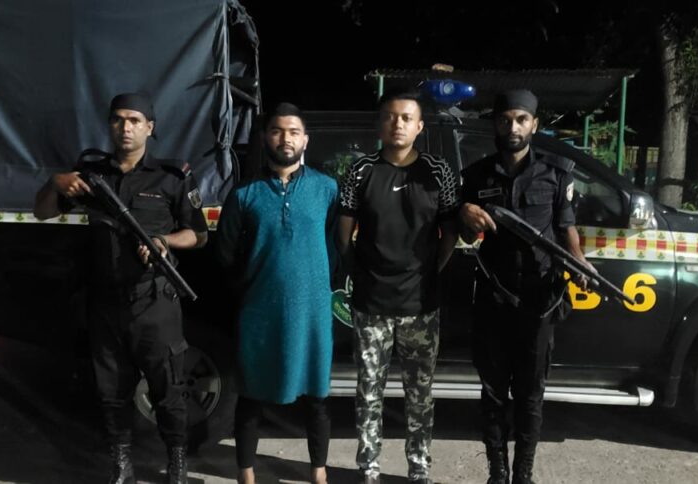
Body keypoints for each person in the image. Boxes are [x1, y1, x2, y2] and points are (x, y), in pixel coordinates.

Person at [33, 92, 207, 484]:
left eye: (134, 120)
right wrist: (54, 182)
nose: (125, 128)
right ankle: (121, 462)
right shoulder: (91, 176)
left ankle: (177, 461)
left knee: (168, 389)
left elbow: (198, 235)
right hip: (105, 302)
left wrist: (163, 242)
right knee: (112, 391)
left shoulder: (172, 176)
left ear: (150, 127)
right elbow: (42, 212)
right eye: (118, 120)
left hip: (154, 301)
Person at [458, 89, 593, 484]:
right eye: (505, 120)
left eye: (520, 119)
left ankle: (523, 474)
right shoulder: (476, 176)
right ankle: (497, 473)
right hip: (494, 298)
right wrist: (465, 215)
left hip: (539, 300)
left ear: (534, 124)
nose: (512, 127)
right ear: (495, 124)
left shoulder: (556, 173)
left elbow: (566, 229)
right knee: (493, 393)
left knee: (531, 395)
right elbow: (464, 237)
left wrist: (579, 262)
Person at [337, 89, 460, 484]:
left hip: (421, 305)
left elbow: (450, 232)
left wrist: (430, 272)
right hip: (371, 303)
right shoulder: (360, 171)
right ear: (380, 124)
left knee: (420, 395)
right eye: (390, 116)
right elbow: (344, 233)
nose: (398, 124)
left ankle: (419, 468)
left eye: (407, 118)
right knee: (368, 392)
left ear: (419, 126)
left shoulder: (438, 171)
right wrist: (361, 273)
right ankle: (368, 467)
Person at [214, 102, 337, 484]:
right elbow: (226, 255)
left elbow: (335, 243)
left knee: (317, 397)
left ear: (306, 140)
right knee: (250, 396)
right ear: (265, 137)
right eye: (277, 131)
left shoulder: (326, 189)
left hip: (313, 313)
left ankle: (319, 472)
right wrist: (254, 289)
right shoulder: (244, 195)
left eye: (294, 131)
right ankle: (246, 473)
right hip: (260, 312)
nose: (286, 138)